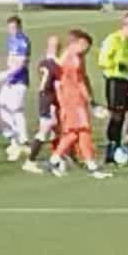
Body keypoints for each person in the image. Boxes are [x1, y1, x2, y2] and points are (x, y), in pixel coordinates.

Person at [47, 30, 108, 178]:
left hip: (71, 98)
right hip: (73, 99)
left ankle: (55, 160)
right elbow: (79, 82)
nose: (87, 50)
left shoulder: (72, 56)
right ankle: (91, 166)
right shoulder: (73, 59)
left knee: (75, 132)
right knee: (83, 131)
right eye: (86, 46)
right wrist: (91, 100)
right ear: (80, 42)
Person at [96, 13, 128, 165]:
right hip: (114, 80)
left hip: (127, 82)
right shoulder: (113, 39)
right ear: (127, 26)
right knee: (115, 115)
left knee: (121, 116)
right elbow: (103, 60)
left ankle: (115, 146)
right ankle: (111, 148)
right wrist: (122, 64)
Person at [21, 34, 63, 173]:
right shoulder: (57, 65)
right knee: (45, 130)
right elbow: (57, 86)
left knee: (56, 129)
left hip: (43, 97)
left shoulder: (43, 63)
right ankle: (30, 161)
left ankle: (60, 157)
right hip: (50, 99)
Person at [0, 15, 32, 161]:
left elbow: (21, 64)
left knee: (15, 110)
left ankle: (20, 141)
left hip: (19, 81)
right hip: (10, 81)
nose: (12, 30)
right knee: (2, 107)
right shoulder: (11, 40)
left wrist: (5, 75)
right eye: (10, 27)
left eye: (14, 27)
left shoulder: (23, 42)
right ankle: (18, 138)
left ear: (19, 27)